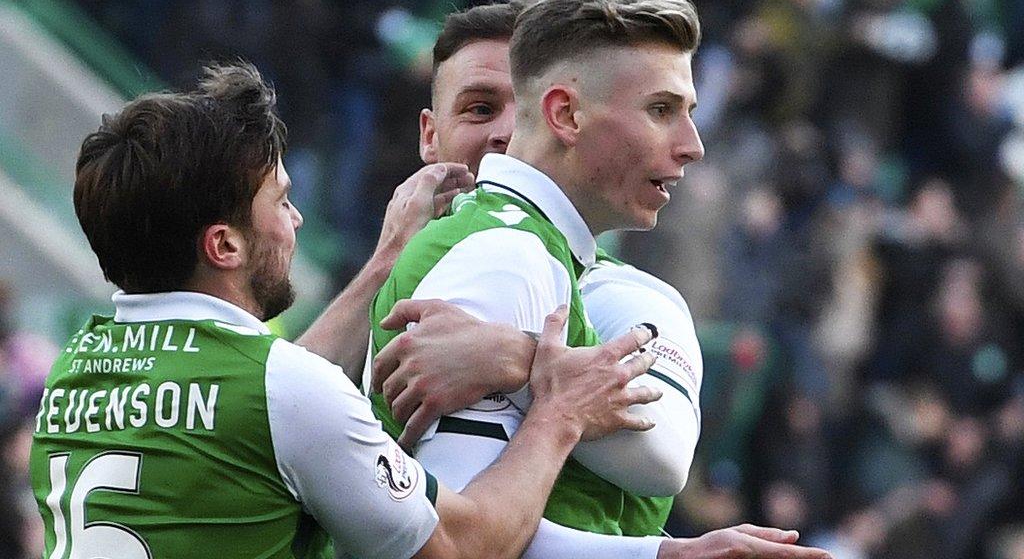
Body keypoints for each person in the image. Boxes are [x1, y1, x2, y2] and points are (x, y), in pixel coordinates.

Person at [28, 62, 674, 559]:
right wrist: (559, 414)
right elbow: (461, 547)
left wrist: (384, 261)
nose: (295, 220)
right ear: (223, 244)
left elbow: (259, 415)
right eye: (279, 201)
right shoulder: (280, 391)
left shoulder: (76, 369)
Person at [369, 0, 830, 558]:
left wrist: (526, 358)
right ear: (565, 114)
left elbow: (663, 459)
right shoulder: (505, 258)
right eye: (661, 110)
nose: (693, 146)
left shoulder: (545, 256)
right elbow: (449, 544)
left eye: (688, 112)